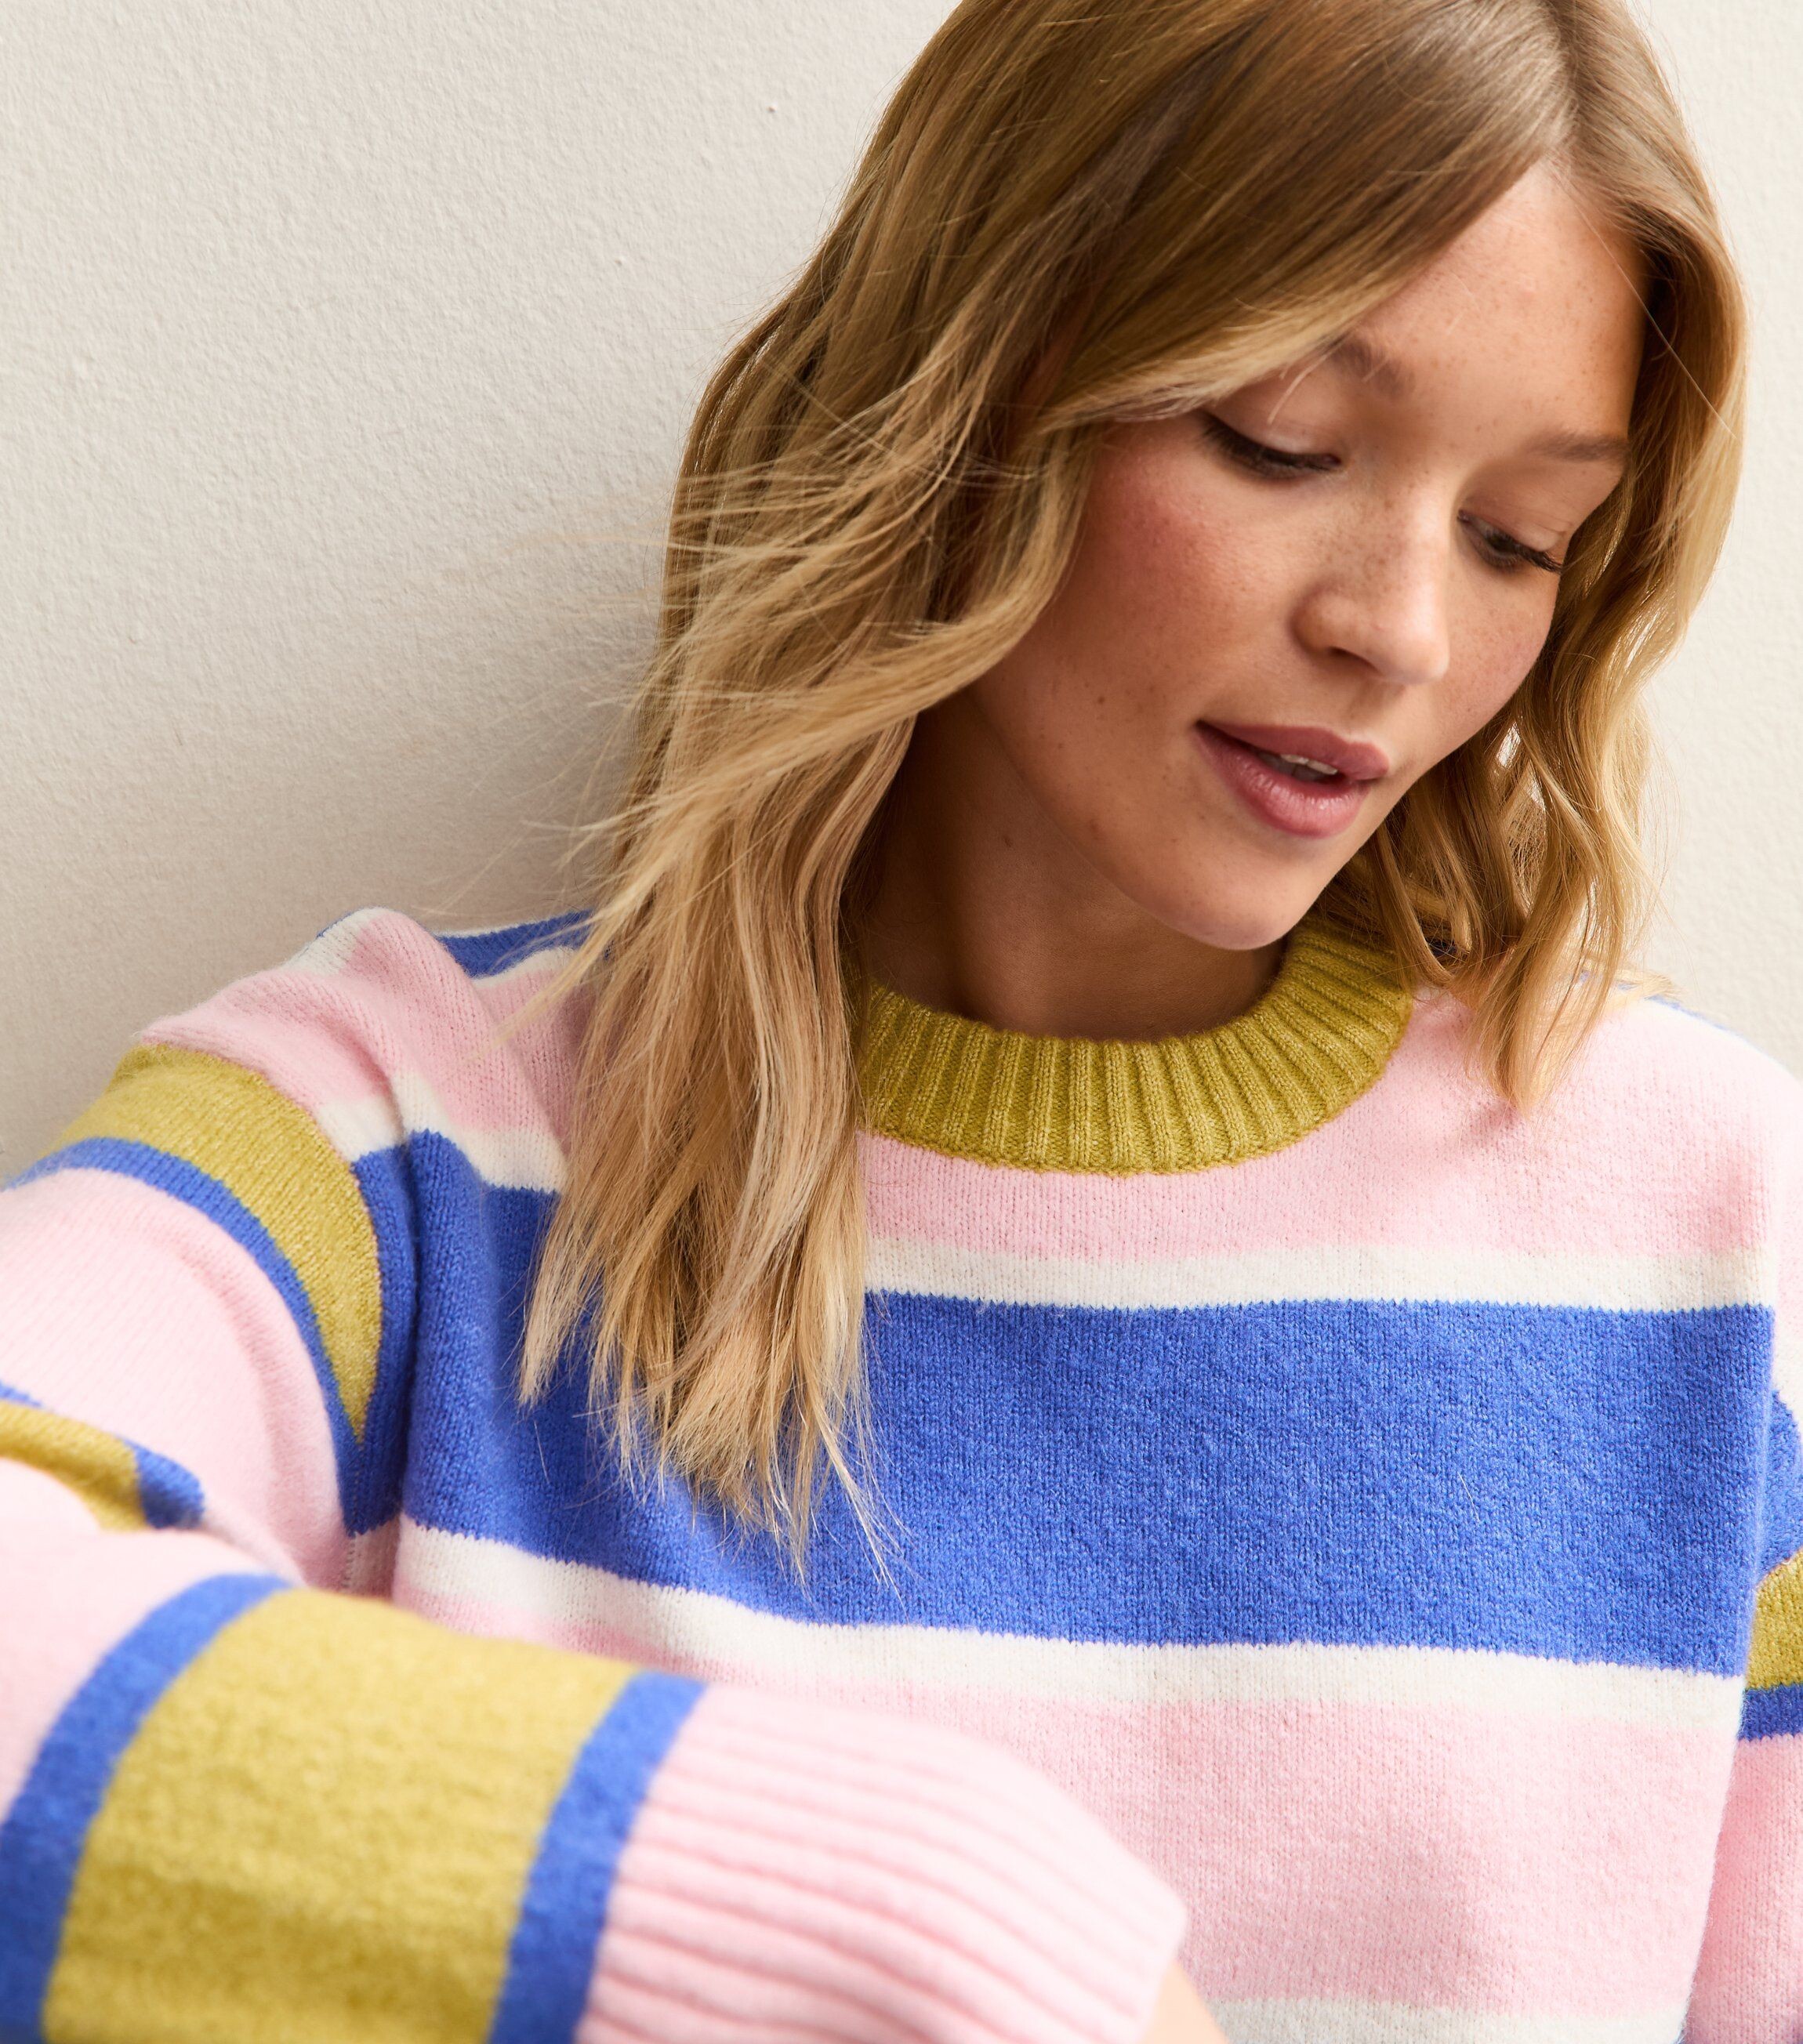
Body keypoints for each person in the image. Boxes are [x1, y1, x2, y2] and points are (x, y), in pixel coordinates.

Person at [0, 0, 1795, 2037]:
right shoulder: (402, 1150)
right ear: (975, 394)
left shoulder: (1713, 1229)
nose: (1396, 627)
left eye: (1516, 538)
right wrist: (936, 1934)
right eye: (1280, 441)